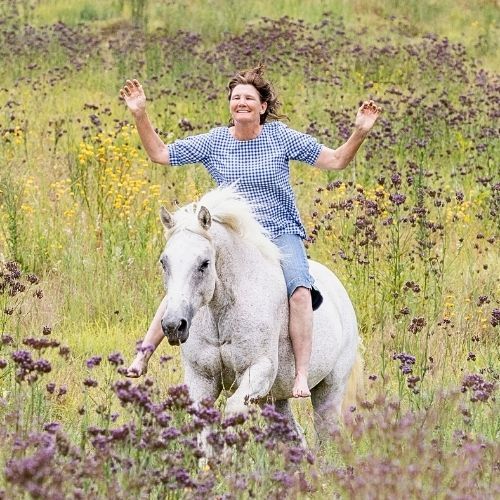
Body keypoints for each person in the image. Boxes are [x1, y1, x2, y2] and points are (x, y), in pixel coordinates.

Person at [120, 66, 380, 397]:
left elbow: (337, 160)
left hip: (279, 233)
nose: (241, 102)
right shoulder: (214, 141)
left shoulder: (280, 137)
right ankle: (143, 354)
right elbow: (160, 153)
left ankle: (301, 374)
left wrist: (359, 131)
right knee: (187, 274)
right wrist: (140, 114)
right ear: (230, 105)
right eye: (236, 97)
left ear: (262, 107)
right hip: (235, 238)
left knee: (300, 290)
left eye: (249, 98)